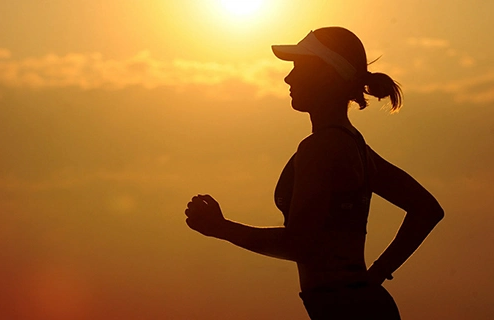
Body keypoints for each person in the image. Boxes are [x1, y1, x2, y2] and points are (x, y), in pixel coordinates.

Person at [184, 27, 444, 320]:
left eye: (299, 68)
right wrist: (376, 275)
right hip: (357, 304)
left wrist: (221, 228)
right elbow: (427, 209)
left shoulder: (321, 148)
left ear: (327, 75)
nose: (288, 78)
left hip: (346, 309)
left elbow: (301, 244)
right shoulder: (353, 144)